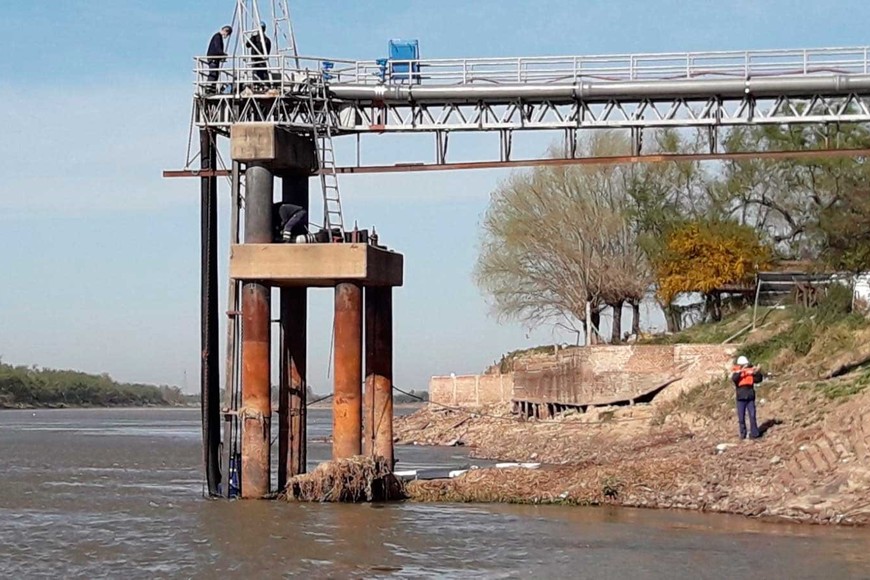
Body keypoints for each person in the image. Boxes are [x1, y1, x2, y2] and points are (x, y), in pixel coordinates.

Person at [731, 355, 763, 439]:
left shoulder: (750, 373)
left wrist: (757, 372)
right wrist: (741, 371)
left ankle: (754, 434)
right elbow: (734, 379)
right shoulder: (737, 373)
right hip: (740, 398)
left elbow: (759, 379)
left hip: (750, 397)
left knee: (752, 416)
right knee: (741, 418)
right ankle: (743, 434)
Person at [206, 26, 233, 92]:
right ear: (225, 31)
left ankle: (212, 88)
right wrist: (223, 54)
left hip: (215, 58)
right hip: (213, 59)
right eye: (227, 34)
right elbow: (217, 48)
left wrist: (221, 56)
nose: (226, 36)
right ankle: (209, 88)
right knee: (213, 73)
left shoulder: (218, 37)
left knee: (216, 73)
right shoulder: (217, 37)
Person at [246, 21, 272, 87]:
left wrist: (251, 37)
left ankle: (257, 85)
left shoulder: (255, 38)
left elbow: (247, 45)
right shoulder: (267, 40)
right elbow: (268, 51)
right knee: (263, 73)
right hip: (262, 59)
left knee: (256, 73)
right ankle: (265, 85)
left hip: (256, 59)